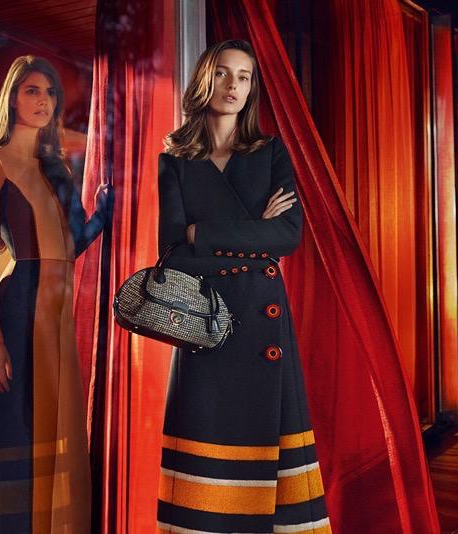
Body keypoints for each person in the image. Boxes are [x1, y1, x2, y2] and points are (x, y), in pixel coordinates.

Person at [156, 39, 331, 533]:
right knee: (207, 450)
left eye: (245, 76)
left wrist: (203, 232)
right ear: (204, 79)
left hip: (261, 319)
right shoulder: (175, 159)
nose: (233, 85)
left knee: (273, 459)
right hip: (204, 324)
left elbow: (287, 236)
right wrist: (254, 231)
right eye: (223, 73)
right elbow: (172, 253)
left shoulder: (270, 151)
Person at [0, 55, 112, 532]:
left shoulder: (58, 170)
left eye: (50, 92)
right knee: (17, 424)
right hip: (18, 305)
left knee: (55, 423)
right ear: (12, 97)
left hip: (56, 309)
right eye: (31, 90)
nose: (43, 101)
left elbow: (71, 247)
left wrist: (104, 212)